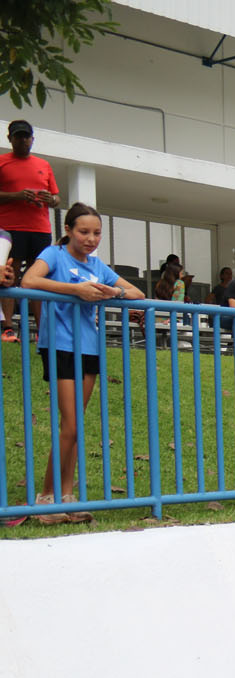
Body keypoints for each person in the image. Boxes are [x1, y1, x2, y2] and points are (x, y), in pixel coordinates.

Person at [21, 202, 145, 524]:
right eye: (84, 232)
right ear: (68, 231)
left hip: (89, 348)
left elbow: (137, 294)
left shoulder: (97, 265)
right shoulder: (54, 255)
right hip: (60, 346)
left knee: (75, 429)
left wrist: (111, 290)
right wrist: (75, 290)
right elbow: (29, 281)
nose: (91, 239)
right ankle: (45, 499)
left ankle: (66, 497)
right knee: (71, 425)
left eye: (97, 233)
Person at [0, 120, 60, 342]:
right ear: (10, 139)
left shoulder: (43, 164)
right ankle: (7, 326)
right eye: (18, 137)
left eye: (27, 136)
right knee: (9, 274)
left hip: (39, 228)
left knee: (38, 276)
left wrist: (50, 199)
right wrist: (16, 195)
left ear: (32, 139)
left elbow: (56, 197)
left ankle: (42, 329)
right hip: (10, 227)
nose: (23, 140)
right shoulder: (2, 162)